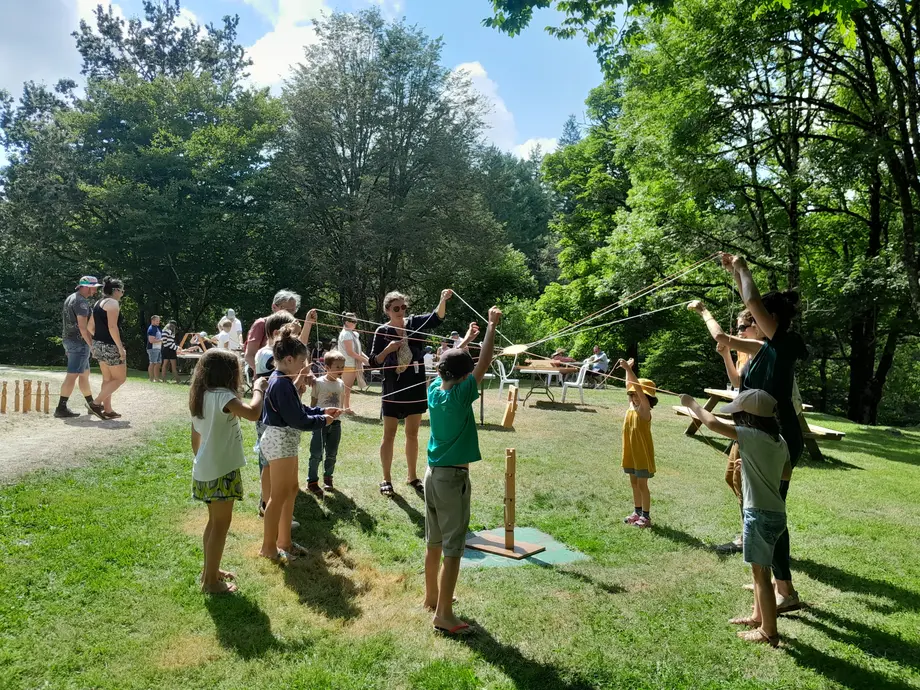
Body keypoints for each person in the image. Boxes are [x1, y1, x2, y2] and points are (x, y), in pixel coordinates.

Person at [696, 253, 808, 613]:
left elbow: (752, 300)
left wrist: (742, 267)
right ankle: (775, 582)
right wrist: (727, 282)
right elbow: (725, 337)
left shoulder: (782, 343)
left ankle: (784, 590)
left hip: (779, 438)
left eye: (756, 317)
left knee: (769, 512)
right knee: (763, 509)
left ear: (769, 319)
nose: (749, 319)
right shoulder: (764, 349)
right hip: (763, 434)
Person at [680, 389, 790, 647]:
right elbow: (785, 474)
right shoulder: (779, 440)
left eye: (739, 415)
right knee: (759, 569)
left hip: (759, 514)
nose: (737, 420)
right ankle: (757, 617)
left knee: (761, 575)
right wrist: (751, 466)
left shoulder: (750, 435)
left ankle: (769, 632)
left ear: (748, 418)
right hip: (776, 513)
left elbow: (712, 423)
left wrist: (691, 404)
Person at [423, 309, 500, 635]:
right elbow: (484, 361)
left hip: (431, 475)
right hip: (452, 479)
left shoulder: (434, 390)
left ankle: (431, 597)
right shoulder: (460, 395)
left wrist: (465, 341)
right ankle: (444, 615)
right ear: (465, 376)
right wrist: (491, 326)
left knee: (434, 542)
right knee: (453, 548)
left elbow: (454, 362)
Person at [189, 349, 267, 594]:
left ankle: (210, 571)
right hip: (221, 471)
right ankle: (211, 583)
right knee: (221, 526)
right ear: (228, 374)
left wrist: (203, 460)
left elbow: (195, 437)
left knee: (213, 524)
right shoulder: (223, 396)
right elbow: (253, 413)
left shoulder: (201, 395)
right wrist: (258, 389)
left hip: (205, 469)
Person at [259, 325, 340, 562]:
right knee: (278, 495)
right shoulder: (280, 383)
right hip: (279, 442)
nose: (305, 367)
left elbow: (299, 409)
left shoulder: (285, 380)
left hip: (286, 442)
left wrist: (321, 411)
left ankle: (284, 542)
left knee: (291, 489)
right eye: (302, 362)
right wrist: (323, 420)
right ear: (289, 360)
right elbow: (297, 419)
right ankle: (268, 547)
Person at [368, 289, 453, 498]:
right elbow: (373, 362)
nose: (401, 311)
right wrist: (388, 350)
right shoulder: (382, 331)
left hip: (415, 385)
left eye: (403, 307)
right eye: (396, 308)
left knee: (412, 433)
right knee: (389, 434)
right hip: (393, 388)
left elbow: (437, 317)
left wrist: (442, 299)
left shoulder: (415, 323)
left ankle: (412, 477)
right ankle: (386, 479)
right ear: (387, 310)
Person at [253, 310, 314, 519]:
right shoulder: (268, 355)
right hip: (271, 421)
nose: (294, 336)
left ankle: (274, 508)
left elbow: (294, 358)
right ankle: (268, 505)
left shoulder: (282, 360)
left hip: (278, 418)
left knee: (275, 470)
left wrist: (298, 380)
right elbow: (287, 363)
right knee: (268, 465)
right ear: (278, 333)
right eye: (292, 332)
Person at [617, 358, 657, 528]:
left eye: (637, 395)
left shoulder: (644, 410)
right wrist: (627, 370)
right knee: (634, 483)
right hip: (631, 453)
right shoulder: (631, 407)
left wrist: (629, 369)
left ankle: (646, 517)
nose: (634, 397)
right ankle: (637, 512)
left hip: (641, 454)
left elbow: (638, 389)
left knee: (642, 485)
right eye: (631, 395)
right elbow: (630, 386)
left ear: (647, 397)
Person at [56, 276, 102, 419]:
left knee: (84, 374)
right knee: (72, 375)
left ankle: (91, 404)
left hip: (70, 341)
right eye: (94, 288)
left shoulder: (71, 298)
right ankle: (61, 408)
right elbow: (83, 328)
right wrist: (92, 345)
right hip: (79, 343)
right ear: (86, 287)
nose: (95, 291)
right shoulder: (81, 302)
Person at [306, 350, 347, 497]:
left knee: (332, 453)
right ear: (327, 367)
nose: (340, 370)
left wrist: (341, 411)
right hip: (320, 423)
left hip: (336, 424)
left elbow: (341, 403)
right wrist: (314, 419)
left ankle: (328, 478)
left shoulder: (341, 384)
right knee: (316, 453)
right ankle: (312, 481)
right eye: (337, 367)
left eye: (342, 367)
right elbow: (313, 403)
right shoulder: (318, 383)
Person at [89, 277, 127, 420]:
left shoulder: (98, 303)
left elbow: (90, 327)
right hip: (110, 345)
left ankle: (108, 409)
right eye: (122, 291)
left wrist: (100, 339)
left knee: (107, 378)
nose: (122, 294)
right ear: (116, 290)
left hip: (98, 344)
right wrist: (120, 348)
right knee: (120, 379)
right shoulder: (112, 303)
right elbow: (112, 327)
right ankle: (96, 403)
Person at [244, 289, 301, 374]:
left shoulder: (293, 326)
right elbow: (249, 355)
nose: (291, 314)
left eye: (293, 310)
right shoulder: (261, 323)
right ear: (274, 307)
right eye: (288, 310)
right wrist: (260, 373)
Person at [338, 312, 370, 410]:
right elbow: (350, 352)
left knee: (347, 388)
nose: (355, 323)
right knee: (346, 388)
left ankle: (345, 408)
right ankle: (345, 409)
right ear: (347, 322)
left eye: (356, 321)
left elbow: (358, 351)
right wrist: (364, 360)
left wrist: (368, 359)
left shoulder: (353, 334)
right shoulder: (346, 334)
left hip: (352, 364)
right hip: (348, 365)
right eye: (353, 321)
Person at [147, 315, 163, 382]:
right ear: (152, 321)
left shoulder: (157, 328)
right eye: (157, 321)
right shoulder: (151, 329)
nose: (158, 322)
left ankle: (156, 378)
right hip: (152, 348)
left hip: (158, 348)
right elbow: (151, 340)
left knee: (158, 363)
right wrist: (161, 340)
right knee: (153, 363)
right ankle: (151, 379)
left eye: (159, 321)